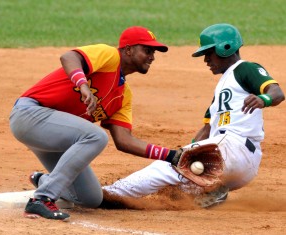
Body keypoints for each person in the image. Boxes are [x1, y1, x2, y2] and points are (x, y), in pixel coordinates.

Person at [102, 23, 285, 208]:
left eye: (208, 53)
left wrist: (264, 99)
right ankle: (212, 190)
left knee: (167, 166)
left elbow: (277, 92)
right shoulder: (223, 89)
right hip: (238, 167)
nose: (206, 59)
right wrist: (190, 149)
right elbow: (206, 129)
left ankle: (111, 193)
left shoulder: (245, 68)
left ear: (225, 48)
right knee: (177, 188)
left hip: (233, 148)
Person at [9, 26, 181, 220]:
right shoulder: (110, 56)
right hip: (30, 114)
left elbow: (124, 141)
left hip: (56, 138)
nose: (152, 57)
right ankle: (41, 199)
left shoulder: (124, 95)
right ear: (128, 49)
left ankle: (44, 180)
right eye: (147, 50)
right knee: (95, 135)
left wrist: (173, 156)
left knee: (90, 198)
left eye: (154, 52)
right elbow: (69, 57)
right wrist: (82, 85)